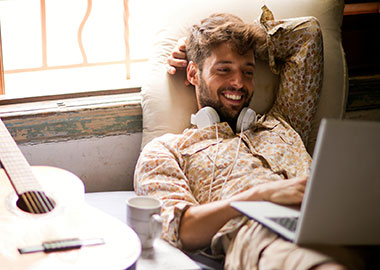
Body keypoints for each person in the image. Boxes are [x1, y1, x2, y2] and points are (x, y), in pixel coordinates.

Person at [134, 7, 373, 270]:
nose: (239, 82)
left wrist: (230, 41)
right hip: (262, 237)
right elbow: (181, 228)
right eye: (223, 70)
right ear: (193, 74)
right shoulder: (169, 150)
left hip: (336, 222)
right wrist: (262, 196)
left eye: (247, 71)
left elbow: (307, 34)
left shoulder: (283, 122)